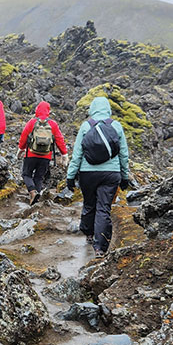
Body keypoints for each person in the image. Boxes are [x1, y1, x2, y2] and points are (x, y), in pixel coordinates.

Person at [66, 96, 130, 259]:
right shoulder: (116, 126)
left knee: (89, 203)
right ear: (108, 109)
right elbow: (123, 154)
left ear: (92, 109)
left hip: (87, 173)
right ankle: (100, 248)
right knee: (103, 208)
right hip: (111, 174)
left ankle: (88, 232)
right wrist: (124, 177)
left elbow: (77, 154)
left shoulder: (86, 126)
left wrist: (70, 176)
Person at [17, 101, 69, 205]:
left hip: (31, 154)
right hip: (46, 156)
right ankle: (36, 199)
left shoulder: (32, 122)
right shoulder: (53, 124)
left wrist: (21, 149)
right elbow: (59, 139)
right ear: (48, 111)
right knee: (39, 177)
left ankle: (32, 192)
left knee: (26, 174)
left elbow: (24, 137)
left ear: (37, 109)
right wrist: (64, 154)